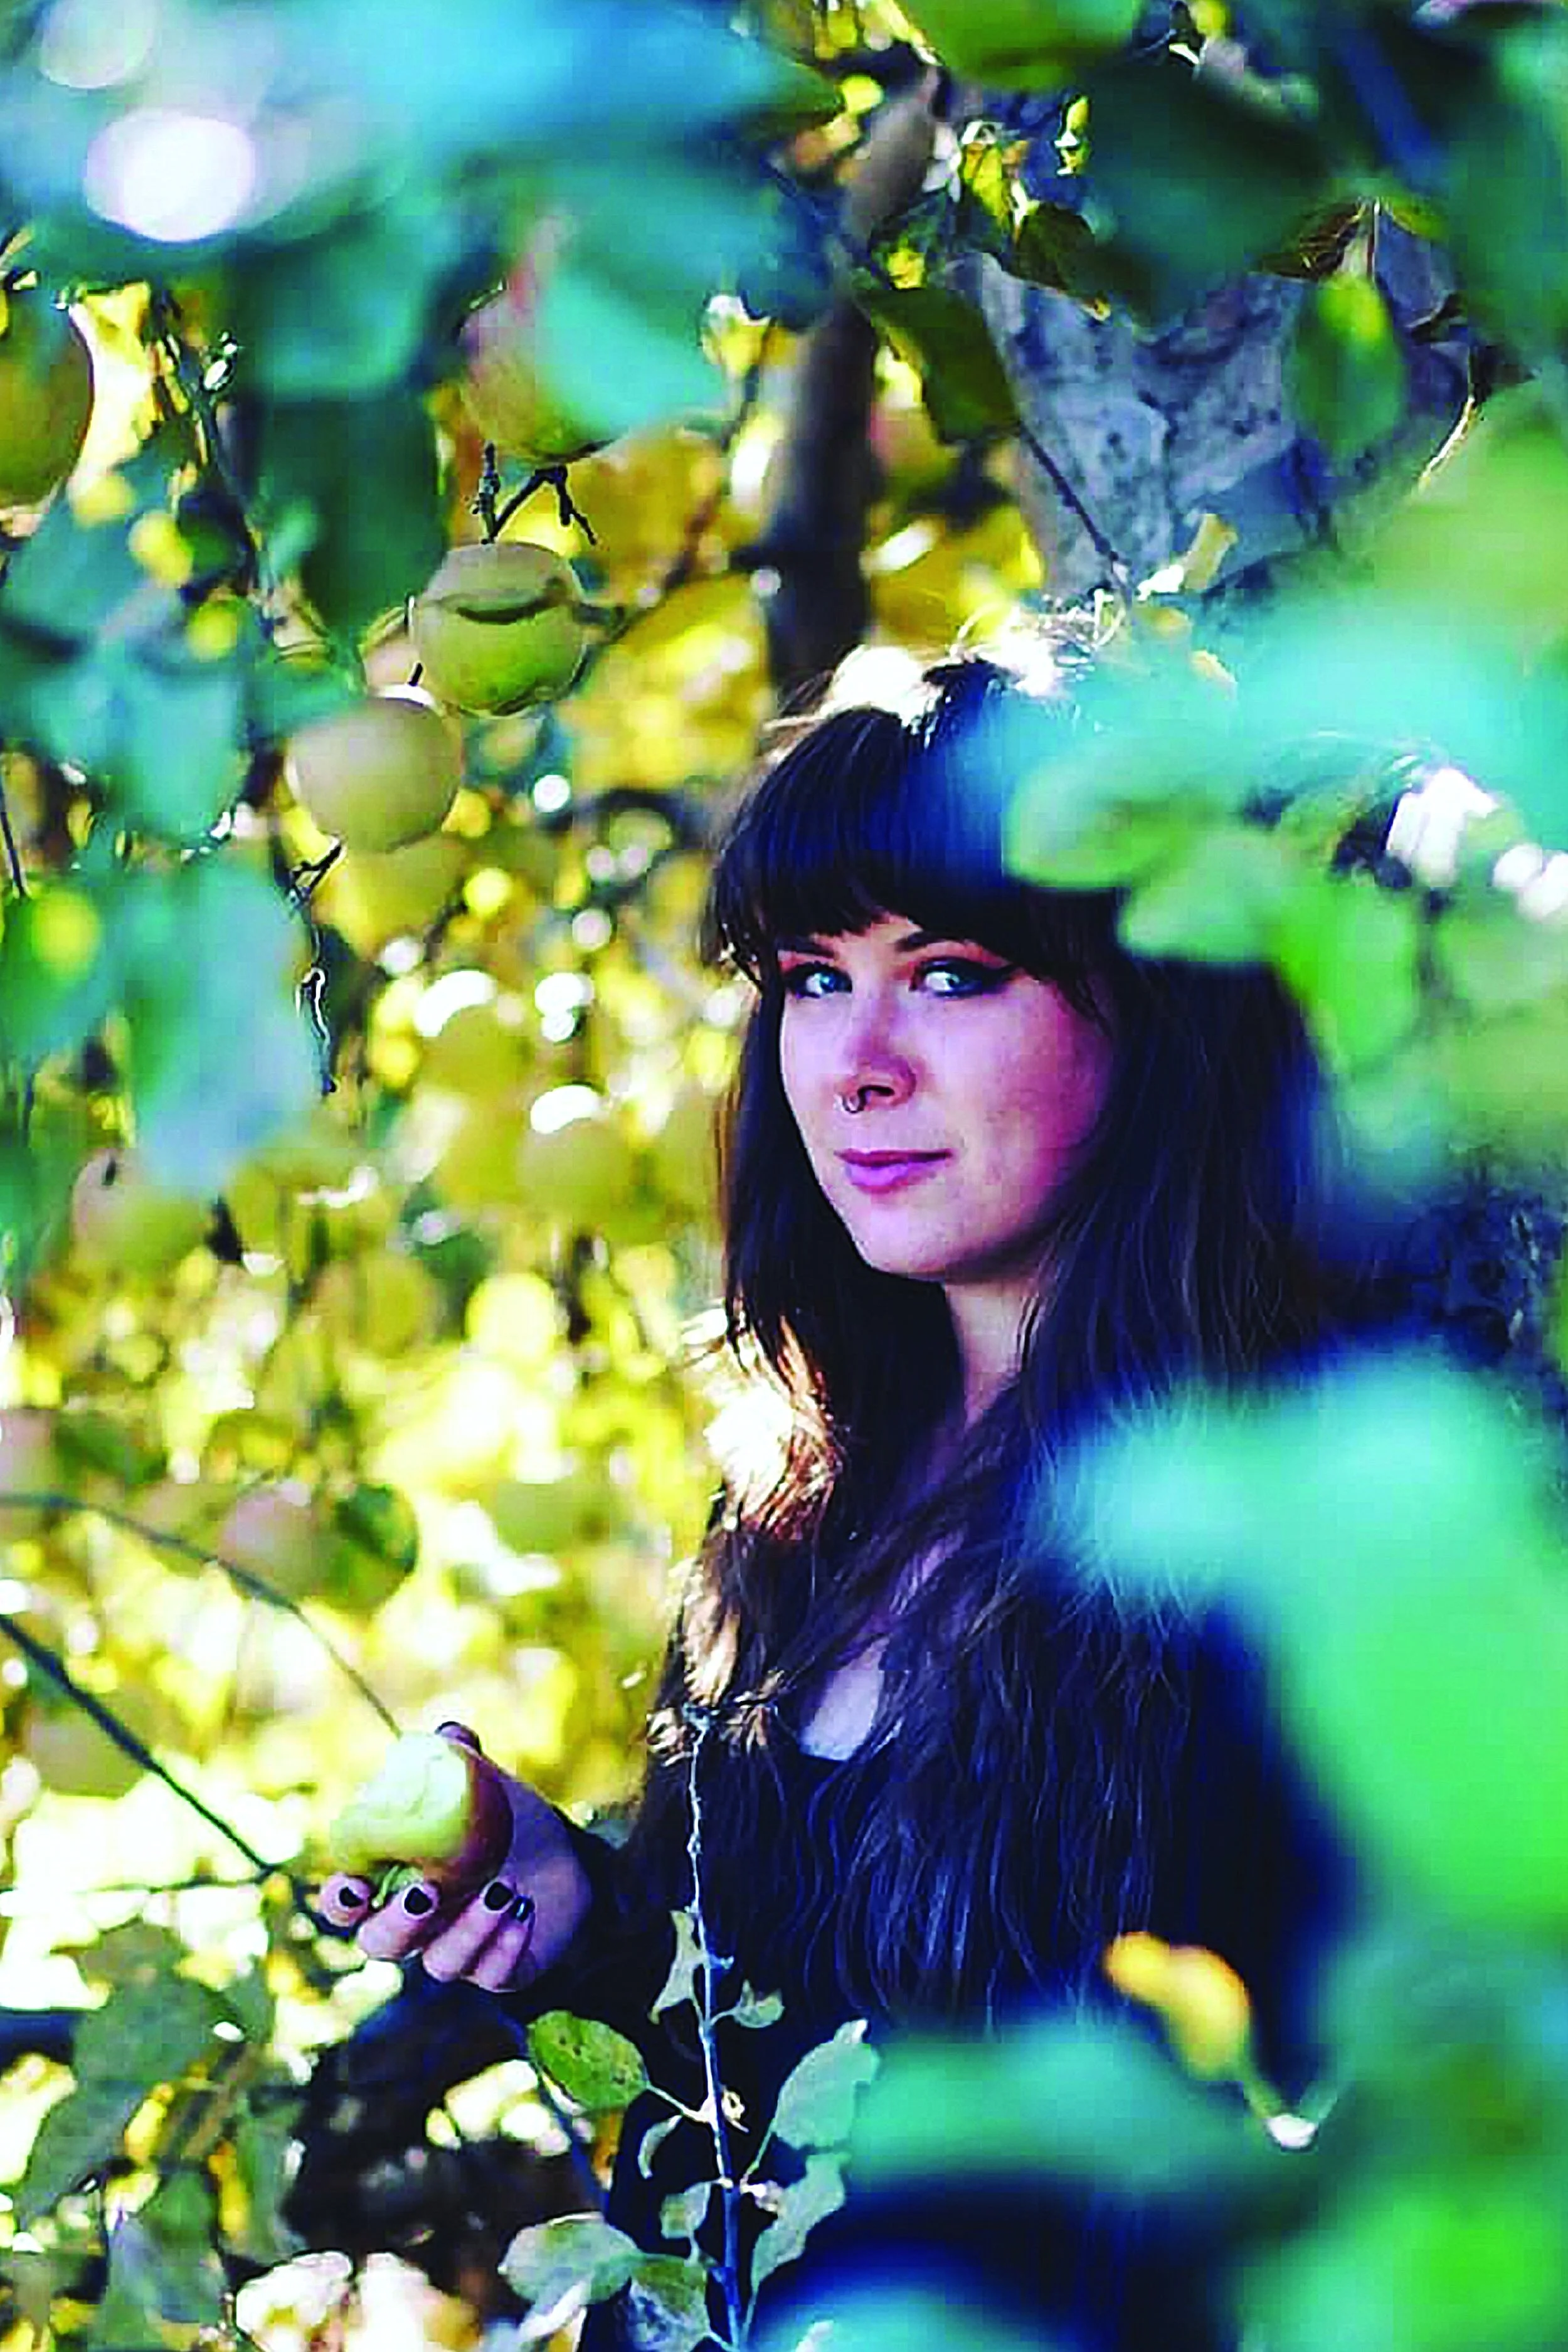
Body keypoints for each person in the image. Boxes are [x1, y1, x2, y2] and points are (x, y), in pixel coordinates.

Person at [320, 646, 1359, 2349]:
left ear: (1154, 1004)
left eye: (948, 973)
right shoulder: (791, 1503)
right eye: (811, 976)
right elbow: (772, 2102)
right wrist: (578, 1923)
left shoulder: (1263, 1522)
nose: (855, 1063)